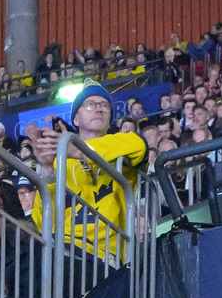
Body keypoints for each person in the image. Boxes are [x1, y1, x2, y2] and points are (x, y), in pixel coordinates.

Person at [27, 83, 146, 263]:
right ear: (76, 119)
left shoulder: (121, 144)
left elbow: (140, 146)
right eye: (90, 104)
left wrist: (79, 151)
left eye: (105, 105)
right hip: (63, 249)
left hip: (104, 254)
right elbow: (42, 220)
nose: (99, 109)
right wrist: (46, 167)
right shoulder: (59, 161)